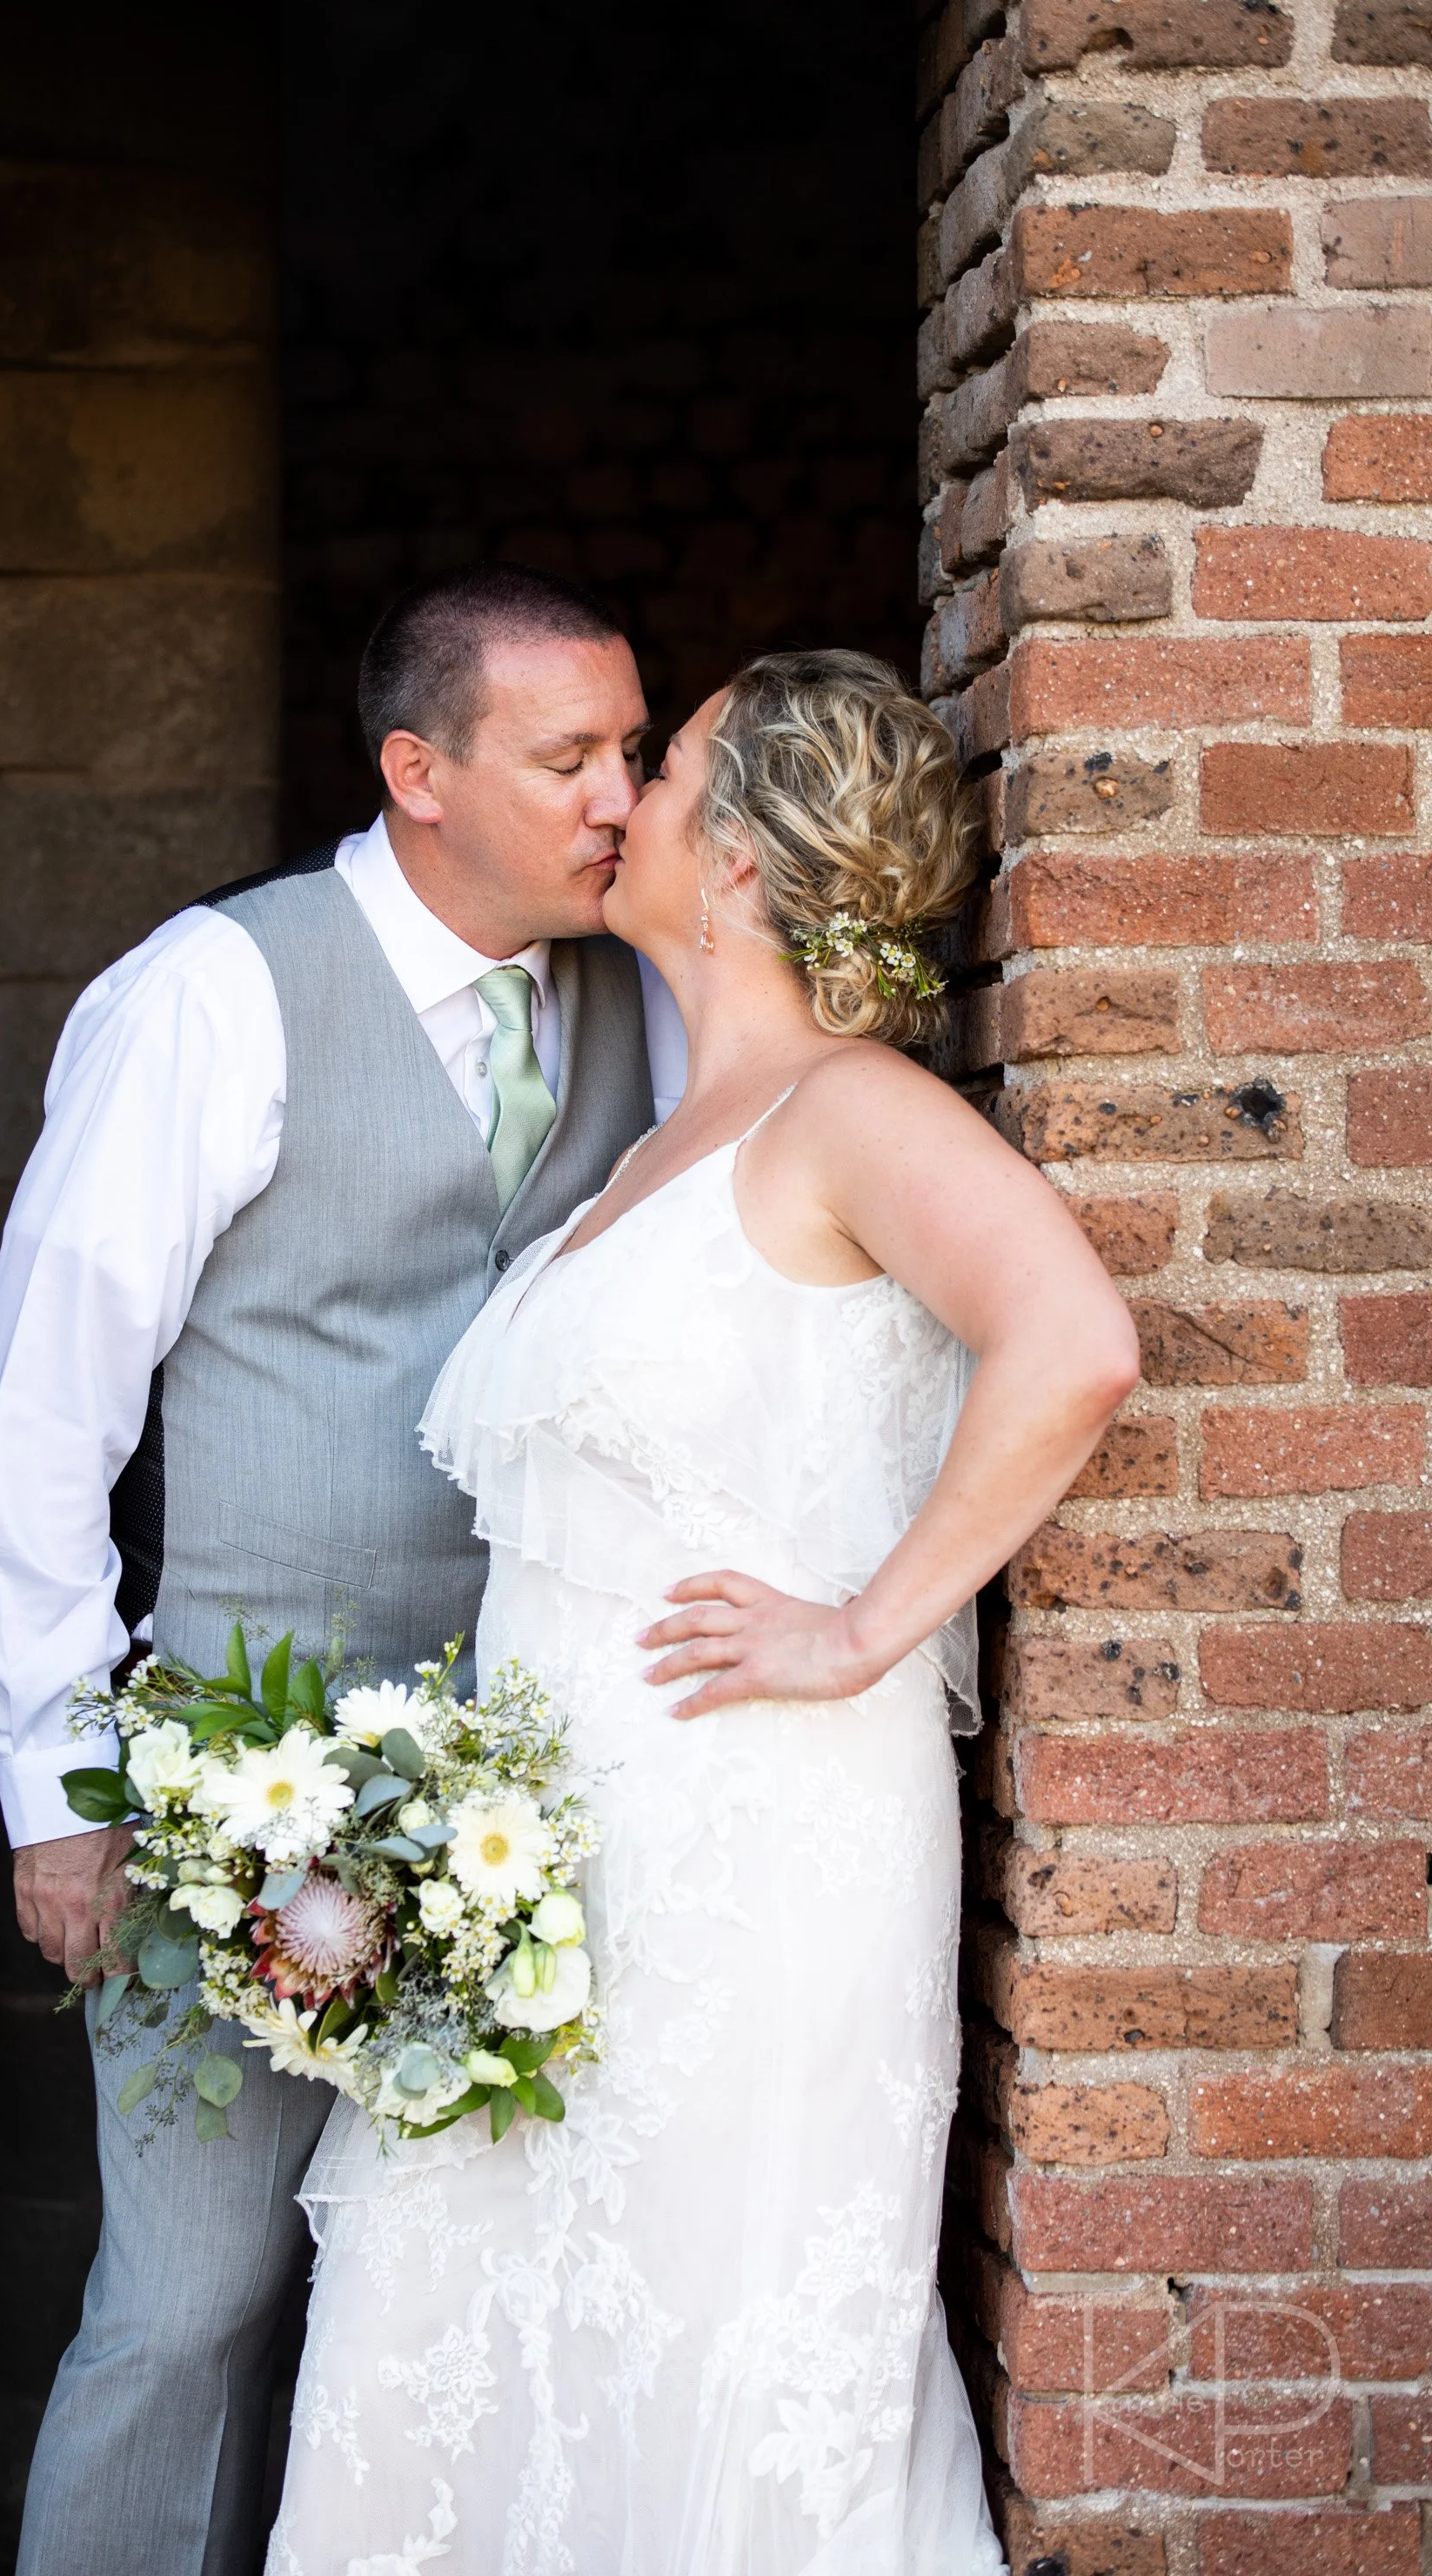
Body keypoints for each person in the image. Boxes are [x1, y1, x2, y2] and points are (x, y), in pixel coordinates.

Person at [268, 650, 1140, 2575]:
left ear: (736, 865)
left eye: (659, 775)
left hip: (757, 1852)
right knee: (496, 2346)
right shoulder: (661, 1132)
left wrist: (859, 1625)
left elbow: (1071, 1341)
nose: (620, 802)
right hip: (565, 1869)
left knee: (706, 2339)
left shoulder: (849, 1112)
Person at [0, 562, 688, 2576]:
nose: (623, 797)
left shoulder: (650, 991)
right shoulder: (215, 991)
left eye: (631, 749)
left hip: (546, 1777)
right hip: (240, 1783)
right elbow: (48, 1408)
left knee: (459, 2304)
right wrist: (62, 1781)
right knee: (191, 2308)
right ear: (417, 773)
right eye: (571, 758)